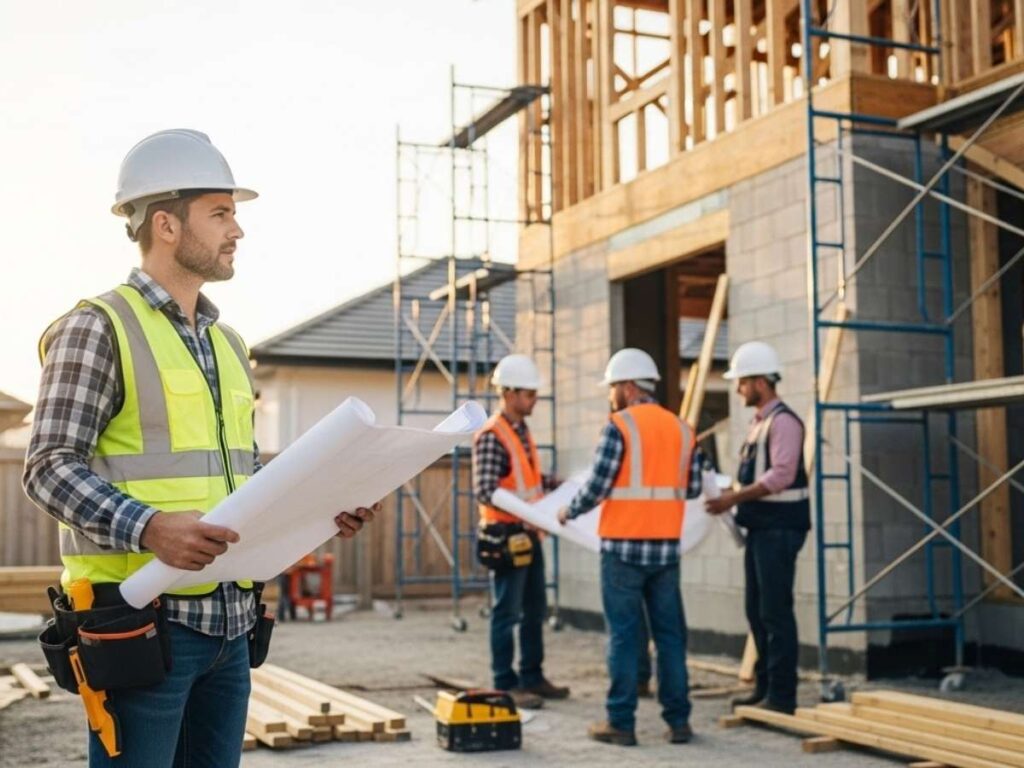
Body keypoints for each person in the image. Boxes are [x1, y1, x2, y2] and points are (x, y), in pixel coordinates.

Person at [23, 129, 379, 767]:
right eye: (220, 213)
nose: (236, 230)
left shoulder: (230, 345)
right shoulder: (97, 327)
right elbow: (47, 467)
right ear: (164, 223)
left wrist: (321, 510)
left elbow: (237, 480)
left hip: (231, 626)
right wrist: (150, 527)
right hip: (141, 623)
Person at [558, 348, 702, 746]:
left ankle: (621, 723)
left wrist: (569, 510)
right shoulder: (682, 428)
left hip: (623, 549)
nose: (611, 396)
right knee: (670, 637)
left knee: (623, 636)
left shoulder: (619, 426)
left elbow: (598, 485)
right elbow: (691, 487)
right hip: (666, 551)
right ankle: (679, 722)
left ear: (626, 386)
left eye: (612, 388)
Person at [704, 341, 810, 715]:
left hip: (780, 529)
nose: (738, 390)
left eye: (742, 383)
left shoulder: (783, 423)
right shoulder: (759, 424)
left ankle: (782, 696)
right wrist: (727, 493)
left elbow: (780, 476)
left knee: (775, 612)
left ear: (761, 382)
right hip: (763, 528)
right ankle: (765, 688)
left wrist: (731, 499)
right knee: (757, 610)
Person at [473, 354, 569, 710]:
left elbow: (527, 478)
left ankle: (532, 676)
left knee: (534, 608)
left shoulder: (520, 432)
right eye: (529, 394)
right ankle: (504, 682)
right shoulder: (492, 436)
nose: (534, 400)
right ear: (509, 393)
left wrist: (559, 485)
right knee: (506, 611)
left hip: (529, 533)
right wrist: (528, 509)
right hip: (505, 535)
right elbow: (485, 488)